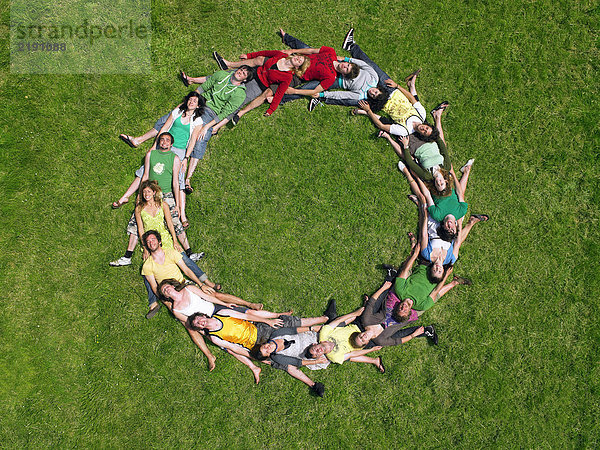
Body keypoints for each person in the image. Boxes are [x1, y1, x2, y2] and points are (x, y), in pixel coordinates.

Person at [158, 277, 288, 372]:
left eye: (167, 287)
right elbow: (191, 325)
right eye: (164, 291)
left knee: (249, 313)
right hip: (207, 325)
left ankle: (277, 315)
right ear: (165, 296)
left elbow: (207, 297)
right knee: (230, 347)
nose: (167, 290)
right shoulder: (176, 310)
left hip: (216, 310)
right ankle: (254, 366)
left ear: (173, 285)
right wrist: (207, 334)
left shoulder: (188, 289)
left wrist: (225, 305)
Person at [187, 302, 336, 384]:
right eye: (198, 324)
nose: (201, 322)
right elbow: (234, 348)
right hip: (256, 345)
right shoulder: (214, 337)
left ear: (203, 315)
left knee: (287, 322)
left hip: (259, 329)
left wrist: (268, 321)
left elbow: (245, 315)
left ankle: (323, 319)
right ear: (200, 327)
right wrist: (254, 357)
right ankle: (313, 380)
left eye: (199, 319)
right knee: (279, 362)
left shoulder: (221, 314)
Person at [114, 92, 206, 222]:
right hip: (164, 144)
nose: (191, 102)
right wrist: (154, 146)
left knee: (179, 178)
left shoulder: (198, 121)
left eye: (194, 101)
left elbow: (192, 142)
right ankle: (125, 196)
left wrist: (186, 158)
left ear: (198, 106)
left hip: (179, 150)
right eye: (190, 100)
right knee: (145, 169)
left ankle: (182, 214)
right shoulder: (178, 111)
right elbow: (164, 128)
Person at [341, 28, 441, 142]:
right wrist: (397, 85)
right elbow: (411, 98)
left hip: (380, 101)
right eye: (426, 128)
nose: (423, 129)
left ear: (422, 135)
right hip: (392, 89)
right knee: (372, 67)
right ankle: (351, 46)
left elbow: (382, 126)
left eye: (424, 132)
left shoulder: (405, 131)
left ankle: (323, 90)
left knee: (353, 95)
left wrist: (368, 111)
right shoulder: (421, 114)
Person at [177, 67, 253, 185]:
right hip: (200, 102)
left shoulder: (240, 94)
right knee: (175, 117)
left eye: (244, 74)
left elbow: (225, 113)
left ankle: (187, 178)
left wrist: (208, 126)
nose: (240, 72)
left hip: (211, 112)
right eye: (241, 70)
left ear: (244, 80)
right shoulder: (221, 75)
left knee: (202, 137)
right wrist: (189, 101)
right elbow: (203, 88)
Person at [109, 180, 202, 267]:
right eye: (144, 192)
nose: (146, 194)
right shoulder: (139, 209)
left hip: (165, 237)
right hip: (151, 241)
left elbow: (170, 224)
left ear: (154, 192)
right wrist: (145, 248)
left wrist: (175, 241)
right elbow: (141, 229)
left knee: (183, 260)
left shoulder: (163, 205)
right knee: (157, 267)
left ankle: (201, 280)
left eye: (149, 191)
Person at [140, 230, 224, 319]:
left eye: (153, 239)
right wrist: (167, 304)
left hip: (184, 284)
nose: (151, 243)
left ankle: (237, 305)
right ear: (146, 246)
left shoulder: (170, 253)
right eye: (148, 241)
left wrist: (201, 284)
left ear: (159, 241)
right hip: (169, 292)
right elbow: (154, 287)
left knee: (215, 295)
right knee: (191, 320)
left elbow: (186, 270)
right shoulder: (147, 265)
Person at [391, 227, 472, 314]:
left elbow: (405, 270)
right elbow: (436, 291)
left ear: (397, 306)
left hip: (425, 264)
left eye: (400, 309)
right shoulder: (422, 305)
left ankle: (413, 247)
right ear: (409, 312)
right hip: (438, 273)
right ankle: (455, 282)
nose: (403, 308)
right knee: (454, 252)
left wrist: (415, 254)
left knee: (404, 270)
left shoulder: (400, 291)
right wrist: (446, 275)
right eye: (405, 311)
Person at [211, 50, 308, 121]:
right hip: (253, 73)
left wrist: (271, 109)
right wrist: (249, 55)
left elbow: (280, 93)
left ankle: (217, 116)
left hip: (258, 86)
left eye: (299, 61)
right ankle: (210, 87)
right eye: (299, 57)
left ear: (297, 67)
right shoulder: (281, 55)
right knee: (228, 80)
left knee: (239, 101)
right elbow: (265, 53)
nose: (298, 59)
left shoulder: (288, 77)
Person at [277, 29, 360, 104]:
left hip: (299, 75)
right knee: (306, 48)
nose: (344, 66)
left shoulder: (331, 78)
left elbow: (314, 91)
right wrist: (292, 51)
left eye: (346, 69)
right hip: (301, 59)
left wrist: (294, 91)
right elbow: (311, 51)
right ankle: (287, 38)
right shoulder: (331, 52)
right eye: (348, 65)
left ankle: (279, 99)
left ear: (344, 75)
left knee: (279, 82)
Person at [252, 325, 330, 397]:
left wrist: (311, 328)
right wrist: (316, 362)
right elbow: (297, 362)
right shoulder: (276, 356)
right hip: (304, 352)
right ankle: (314, 385)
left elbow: (293, 330)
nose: (267, 348)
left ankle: (328, 319)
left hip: (304, 338)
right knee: (287, 366)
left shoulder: (274, 336)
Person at [306, 308, 385, 372]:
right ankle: (375, 360)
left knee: (374, 313)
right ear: (319, 356)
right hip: (364, 342)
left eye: (315, 349)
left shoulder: (323, 334)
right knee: (383, 331)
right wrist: (371, 349)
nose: (318, 351)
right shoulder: (334, 357)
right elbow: (352, 354)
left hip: (357, 326)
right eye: (317, 354)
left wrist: (355, 314)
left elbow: (338, 321)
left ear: (314, 344)